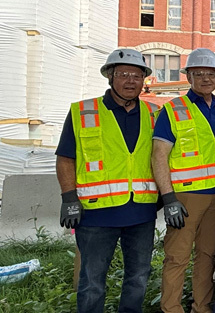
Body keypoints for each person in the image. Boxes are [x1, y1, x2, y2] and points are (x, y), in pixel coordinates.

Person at [56, 49, 159, 312]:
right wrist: (69, 199)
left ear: (144, 80)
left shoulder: (154, 113)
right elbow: (66, 158)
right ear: (110, 77)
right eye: (123, 74)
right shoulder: (83, 112)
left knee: (138, 278)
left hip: (141, 212)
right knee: (92, 282)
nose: (131, 81)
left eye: (137, 75)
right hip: (96, 214)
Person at [152, 48, 215, 313]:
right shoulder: (173, 110)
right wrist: (168, 198)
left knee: (207, 256)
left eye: (211, 73)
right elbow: (159, 155)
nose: (206, 78)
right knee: (177, 257)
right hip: (185, 197)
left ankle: (202, 308)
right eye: (199, 73)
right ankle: (171, 309)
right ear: (189, 76)